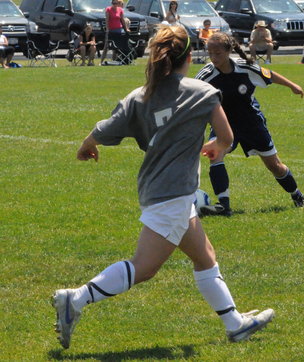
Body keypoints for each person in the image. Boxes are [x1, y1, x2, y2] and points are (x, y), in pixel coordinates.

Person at [51, 25, 275, 350]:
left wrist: (87, 144)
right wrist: (215, 147)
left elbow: (106, 128)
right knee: (144, 267)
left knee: (205, 257)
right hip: (173, 194)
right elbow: (226, 138)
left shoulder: (140, 95)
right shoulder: (202, 92)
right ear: (189, 57)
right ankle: (75, 299)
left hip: (158, 189)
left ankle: (235, 324)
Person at [196, 32, 304, 215]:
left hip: (251, 123)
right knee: (216, 155)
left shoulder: (245, 68)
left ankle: (297, 195)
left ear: (228, 51)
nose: (213, 58)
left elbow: (270, 75)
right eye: (210, 53)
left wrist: (292, 86)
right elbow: (191, 94)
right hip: (224, 123)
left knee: (274, 166)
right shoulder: (206, 75)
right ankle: (224, 206)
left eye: (218, 53)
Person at [103, 0, 131, 64]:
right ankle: (101, 61)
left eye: (116, 3)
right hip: (112, 31)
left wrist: (126, 28)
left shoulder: (120, 10)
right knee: (106, 47)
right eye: (114, 3)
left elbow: (122, 20)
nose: (115, 4)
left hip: (119, 30)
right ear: (112, 3)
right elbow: (107, 20)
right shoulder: (108, 9)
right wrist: (107, 29)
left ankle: (123, 59)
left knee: (125, 41)